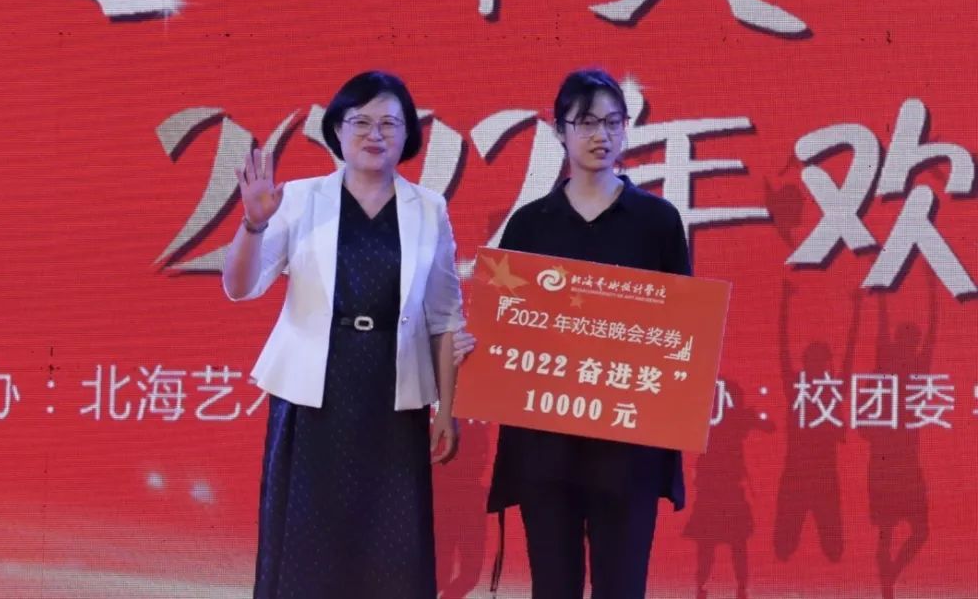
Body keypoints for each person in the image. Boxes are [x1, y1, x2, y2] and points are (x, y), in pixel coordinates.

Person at [222, 71, 466, 599]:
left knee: (391, 546)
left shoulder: (429, 208)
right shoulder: (298, 198)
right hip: (314, 392)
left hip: (393, 393)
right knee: (307, 540)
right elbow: (240, 288)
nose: (374, 134)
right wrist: (253, 224)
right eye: (360, 121)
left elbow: (445, 316)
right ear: (337, 129)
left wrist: (446, 410)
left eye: (389, 123)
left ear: (408, 134)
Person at [486, 68, 691, 599]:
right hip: (545, 446)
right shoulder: (530, 225)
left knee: (622, 587)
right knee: (553, 586)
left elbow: (682, 332)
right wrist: (478, 346)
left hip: (628, 445)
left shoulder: (657, 222)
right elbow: (503, 324)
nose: (602, 135)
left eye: (613, 122)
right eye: (586, 122)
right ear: (560, 130)